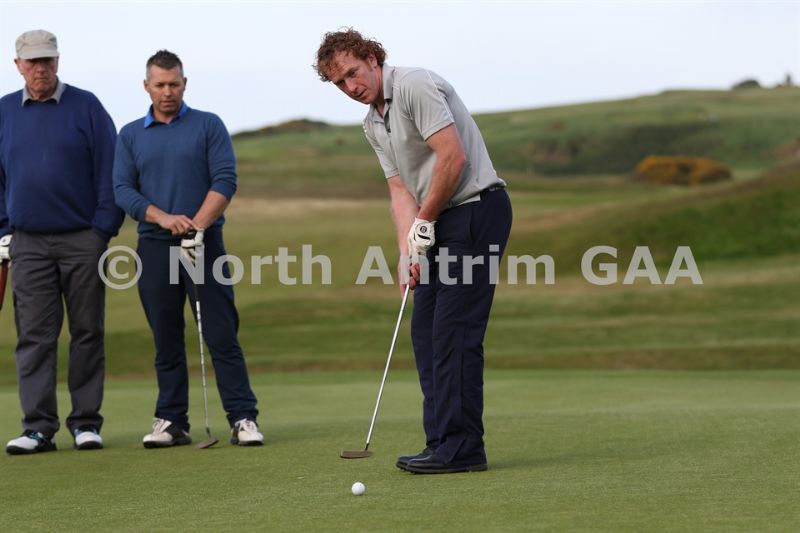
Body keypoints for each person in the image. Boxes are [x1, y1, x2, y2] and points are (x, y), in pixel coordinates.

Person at [315, 29, 512, 474]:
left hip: (475, 211)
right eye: (339, 83)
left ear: (372, 58)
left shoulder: (413, 85)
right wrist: (408, 251)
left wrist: (424, 221)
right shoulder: (372, 123)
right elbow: (400, 190)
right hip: (437, 220)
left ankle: (462, 450)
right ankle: (441, 442)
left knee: (454, 333)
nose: (350, 87)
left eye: (353, 73)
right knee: (425, 334)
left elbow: (452, 158)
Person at [113, 50, 262, 448]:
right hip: (154, 246)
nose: (168, 92)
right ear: (146, 86)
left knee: (221, 333)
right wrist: (163, 218)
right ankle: (171, 420)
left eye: (174, 84)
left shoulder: (208, 125)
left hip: (204, 245)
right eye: (160, 85)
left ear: (184, 84)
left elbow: (225, 180)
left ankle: (243, 417)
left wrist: (197, 225)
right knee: (166, 337)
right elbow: (123, 189)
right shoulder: (130, 134)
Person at [0, 29, 123, 454]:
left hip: (81, 239)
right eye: (33, 61)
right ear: (18, 65)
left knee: (87, 331)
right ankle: (38, 428)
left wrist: (102, 231)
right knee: (34, 336)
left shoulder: (86, 106)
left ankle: (86, 422)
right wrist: (3, 231)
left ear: (58, 61)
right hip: (27, 243)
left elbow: (110, 171)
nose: (41, 68)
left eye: (47, 60)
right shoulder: (3, 111)